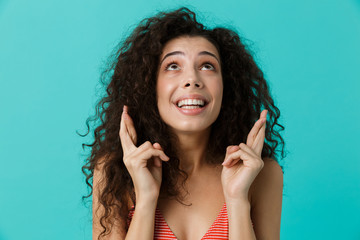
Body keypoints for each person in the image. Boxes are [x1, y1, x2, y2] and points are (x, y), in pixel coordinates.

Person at [82, 7, 285, 240]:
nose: (192, 80)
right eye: (173, 66)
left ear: (226, 87)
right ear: (150, 86)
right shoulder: (113, 172)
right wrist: (146, 197)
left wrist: (238, 198)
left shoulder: (262, 174)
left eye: (207, 66)